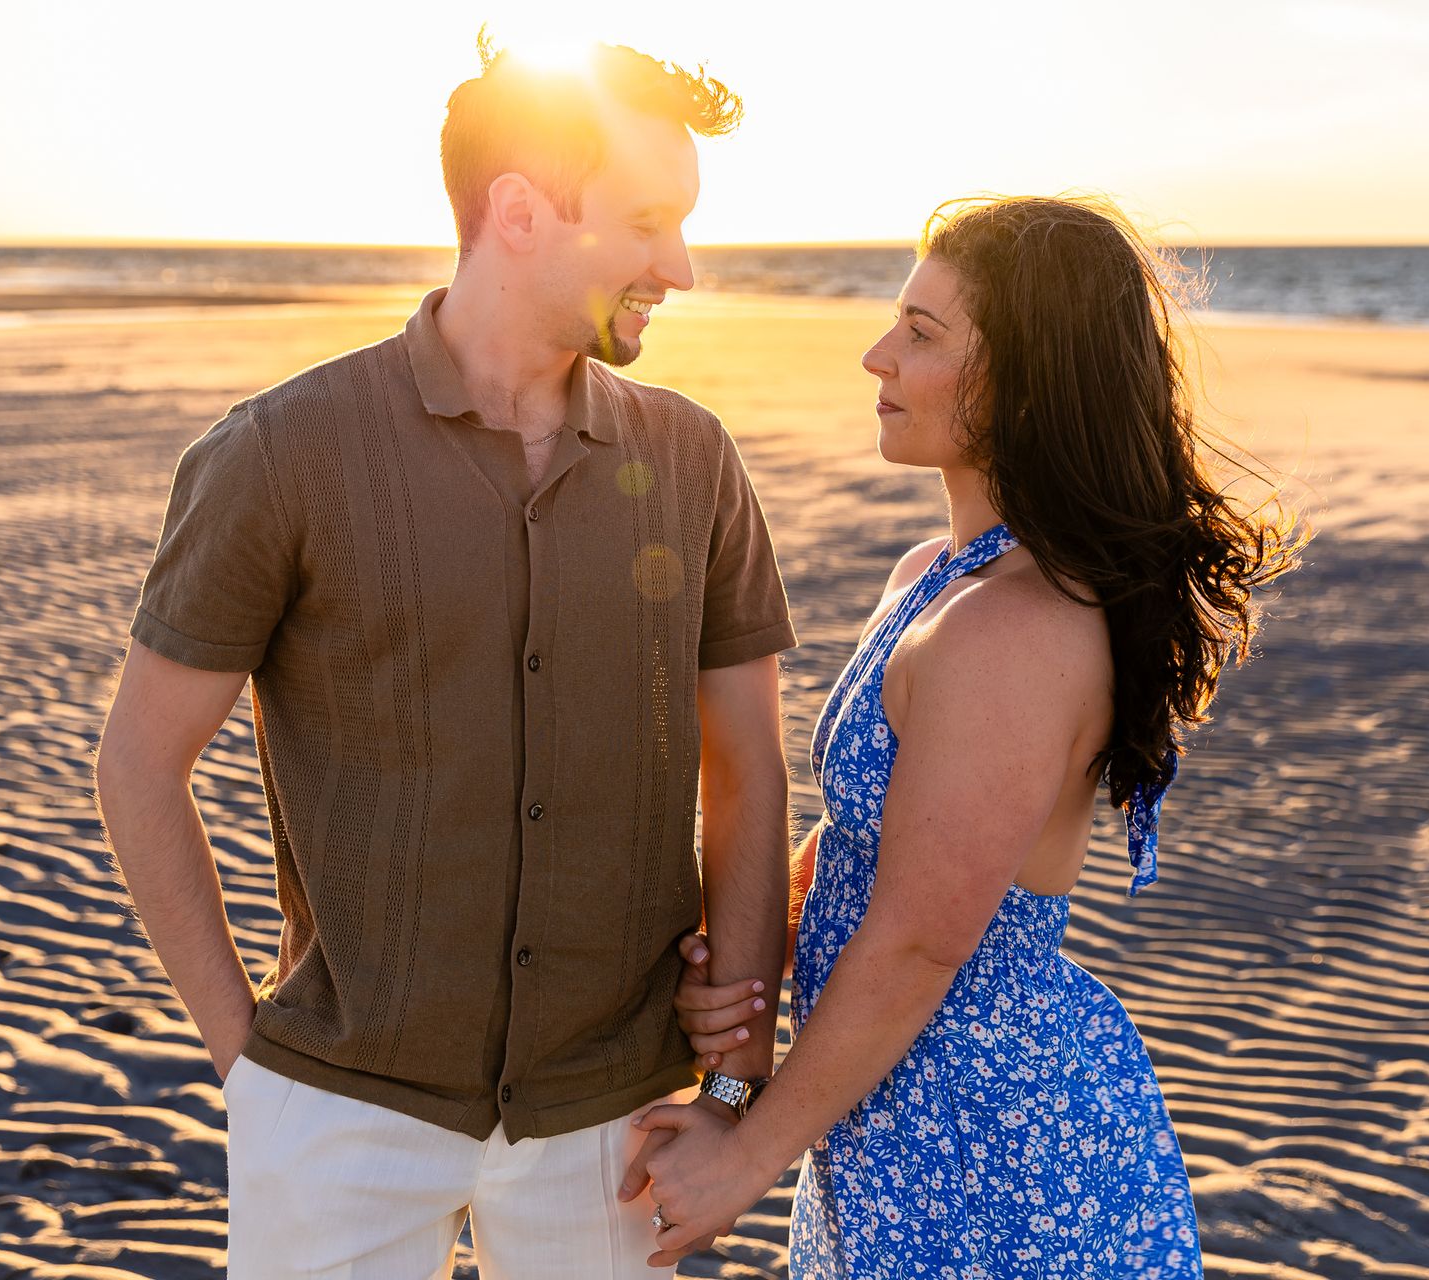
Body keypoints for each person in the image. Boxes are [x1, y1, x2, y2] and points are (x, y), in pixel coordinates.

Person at [92, 38, 795, 1280]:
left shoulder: (694, 462)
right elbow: (140, 766)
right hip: (338, 1108)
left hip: (614, 1118)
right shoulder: (279, 454)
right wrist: (245, 1063)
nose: (680, 266)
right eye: (647, 221)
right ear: (520, 212)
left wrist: (737, 1079)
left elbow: (747, 769)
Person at [620, 195, 1304, 1276]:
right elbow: (870, 840)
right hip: (895, 1117)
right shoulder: (934, 578)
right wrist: (759, 946)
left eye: (922, 335)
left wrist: (746, 1153)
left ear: (1023, 384)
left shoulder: (1017, 627)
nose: (876, 354)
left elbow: (919, 942)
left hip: (996, 1142)